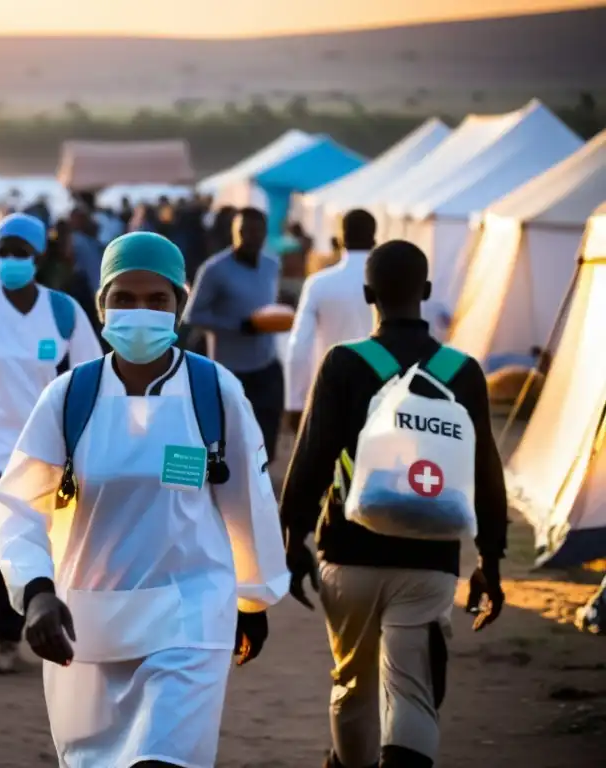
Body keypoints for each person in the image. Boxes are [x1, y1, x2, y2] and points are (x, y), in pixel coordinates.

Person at [0, 231, 289, 768]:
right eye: (124, 298)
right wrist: (36, 591)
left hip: (191, 615)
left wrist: (252, 599)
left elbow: (249, 501)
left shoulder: (214, 391)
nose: (141, 311)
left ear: (179, 305)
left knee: (163, 760)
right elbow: (21, 504)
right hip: (86, 622)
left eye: (158, 300)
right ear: (101, 304)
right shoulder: (68, 397)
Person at [280, 240, 508, 768]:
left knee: (352, 684)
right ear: (426, 293)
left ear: (367, 294)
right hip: (429, 558)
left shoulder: (344, 363)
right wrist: (490, 561)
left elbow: (311, 458)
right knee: (412, 691)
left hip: (348, 552)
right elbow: (486, 473)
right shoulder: (462, 371)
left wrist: (294, 539)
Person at [0, 213, 102, 674]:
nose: (12, 260)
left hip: (47, 460)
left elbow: (92, 377)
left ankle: (57, 635)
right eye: (4, 251)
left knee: (53, 553)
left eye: (21, 252)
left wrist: (83, 445)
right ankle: (4, 639)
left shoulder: (63, 311)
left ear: (37, 256)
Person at [183, 207, 285, 461]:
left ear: (264, 233)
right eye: (243, 231)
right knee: (228, 444)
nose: (250, 237)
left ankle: (257, 489)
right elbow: (192, 315)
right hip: (230, 371)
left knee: (265, 444)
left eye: (256, 231)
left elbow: (266, 303)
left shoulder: (272, 265)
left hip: (266, 365)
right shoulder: (215, 269)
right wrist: (239, 326)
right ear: (234, 233)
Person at [285, 209, 379, 435]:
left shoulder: (319, 284)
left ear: (339, 240)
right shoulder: (390, 284)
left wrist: (295, 403)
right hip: (380, 395)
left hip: (330, 391)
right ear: (375, 240)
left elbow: (298, 347)